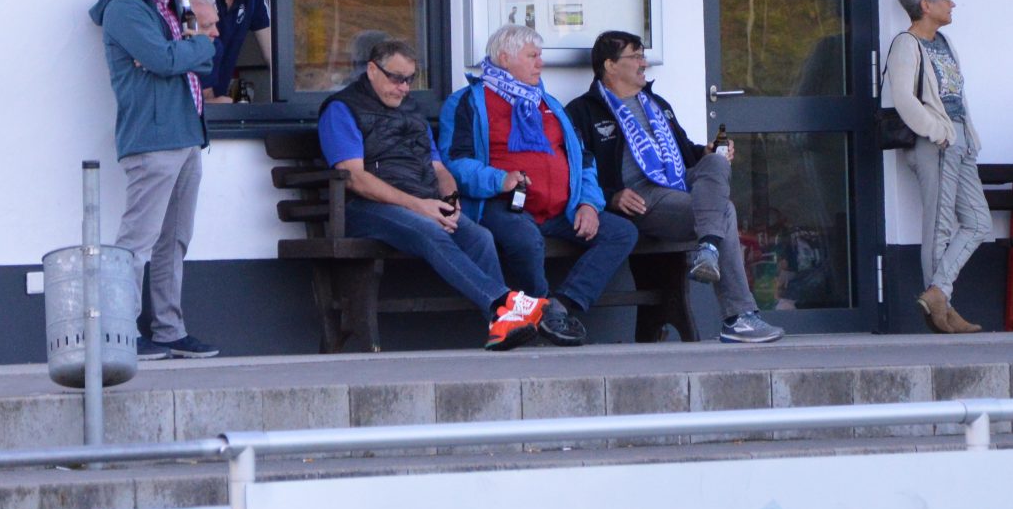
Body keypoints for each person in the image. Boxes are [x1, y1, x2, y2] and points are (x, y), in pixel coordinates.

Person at [317, 39, 547, 350]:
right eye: (396, 78)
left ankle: (500, 325)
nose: (403, 88)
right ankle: (503, 304)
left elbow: (439, 169)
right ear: (372, 70)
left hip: (421, 203)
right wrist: (420, 206)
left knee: (479, 237)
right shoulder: (342, 109)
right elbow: (355, 178)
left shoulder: (412, 111)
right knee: (429, 230)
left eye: (409, 79)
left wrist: (450, 202)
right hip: (365, 208)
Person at [569, 30, 781, 344]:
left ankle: (708, 249)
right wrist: (611, 196)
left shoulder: (657, 104)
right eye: (636, 56)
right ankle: (737, 315)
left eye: (643, 56)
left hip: (679, 184)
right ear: (610, 65)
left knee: (716, 163)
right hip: (642, 197)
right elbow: (577, 168)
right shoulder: (584, 111)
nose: (644, 63)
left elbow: (685, 153)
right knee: (724, 210)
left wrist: (706, 152)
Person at [438, 23, 637, 347]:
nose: (540, 63)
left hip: (561, 209)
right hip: (503, 205)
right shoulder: (468, 102)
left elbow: (583, 159)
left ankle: (560, 306)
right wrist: (499, 179)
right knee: (526, 239)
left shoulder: (549, 104)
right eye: (532, 56)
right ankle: (539, 311)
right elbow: (454, 163)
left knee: (622, 232)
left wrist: (588, 203)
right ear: (505, 58)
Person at [89, 0, 222, 360]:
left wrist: (185, 50)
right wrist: (194, 46)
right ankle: (119, 332)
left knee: (174, 240)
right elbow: (165, 60)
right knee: (137, 240)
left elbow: (189, 60)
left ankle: (169, 330)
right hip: (153, 137)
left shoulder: (166, 5)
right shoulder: (124, 10)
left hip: (186, 135)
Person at [883, 0, 987, 334]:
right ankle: (942, 308)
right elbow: (903, 98)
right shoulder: (907, 44)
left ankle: (938, 293)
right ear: (926, 5)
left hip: (960, 140)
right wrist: (936, 132)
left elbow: (957, 96)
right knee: (939, 225)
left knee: (979, 222)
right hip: (936, 142)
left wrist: (966, 135)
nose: (952, 3)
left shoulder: (944, 42)